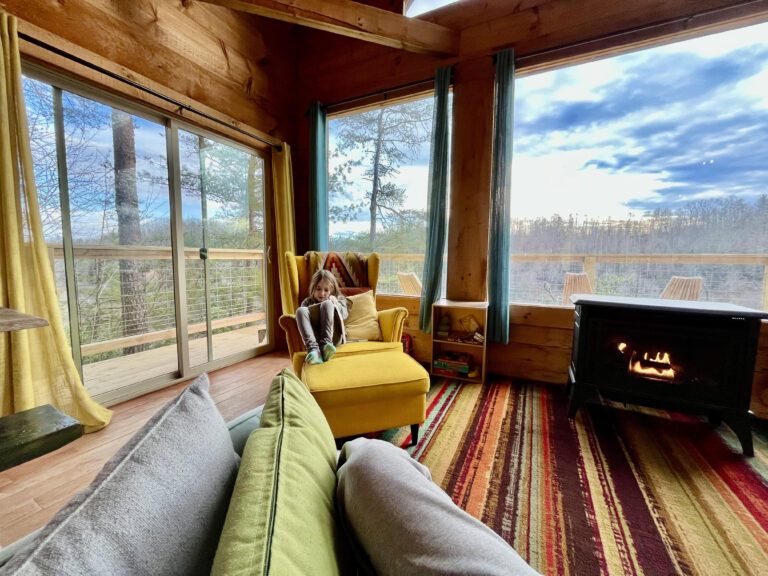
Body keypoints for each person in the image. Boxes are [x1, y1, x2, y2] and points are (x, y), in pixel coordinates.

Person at [296, 269, 349, 364]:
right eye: (318, 289)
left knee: (327, 304)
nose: (322, 293)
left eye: (326, 290)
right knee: (300, 310)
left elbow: (345, 315)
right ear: (313, 288)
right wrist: (312, 310)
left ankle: (326, 347)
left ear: (332, 290)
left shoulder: (339, 299)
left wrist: (335, 304)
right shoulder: (307, 302)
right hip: (315, 339)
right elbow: (304, 323)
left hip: (333, 338)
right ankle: (314, 352)